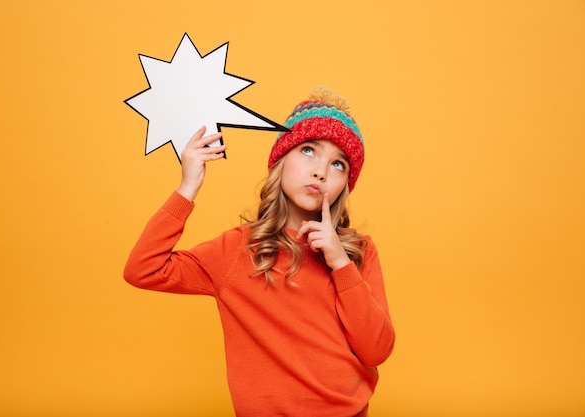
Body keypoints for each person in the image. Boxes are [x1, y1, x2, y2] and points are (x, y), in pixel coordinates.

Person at [124, 86, 395, 417]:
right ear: (281, 160)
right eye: (308, 150)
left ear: (345, 184)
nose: (321, 171)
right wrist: (187, 188)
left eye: (338, 164)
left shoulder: (358, 252)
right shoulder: (236, 251)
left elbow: (377, 350)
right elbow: (143, 269)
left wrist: (340, 263)